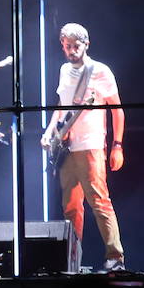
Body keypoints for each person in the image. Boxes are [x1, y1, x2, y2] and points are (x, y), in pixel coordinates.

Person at [40, 24, 125, 272]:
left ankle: (115, 257)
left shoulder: (100, 71)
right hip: (66, 148)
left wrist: (117, 145)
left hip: (91, 146)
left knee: (99, 201)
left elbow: (117, 110)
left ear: (86, 44)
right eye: (66, 46)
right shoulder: (64, 70)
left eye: (75, 46)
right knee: (71, 206)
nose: (71, 51)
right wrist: (49, 131)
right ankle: (72, 259)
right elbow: (62, 105)